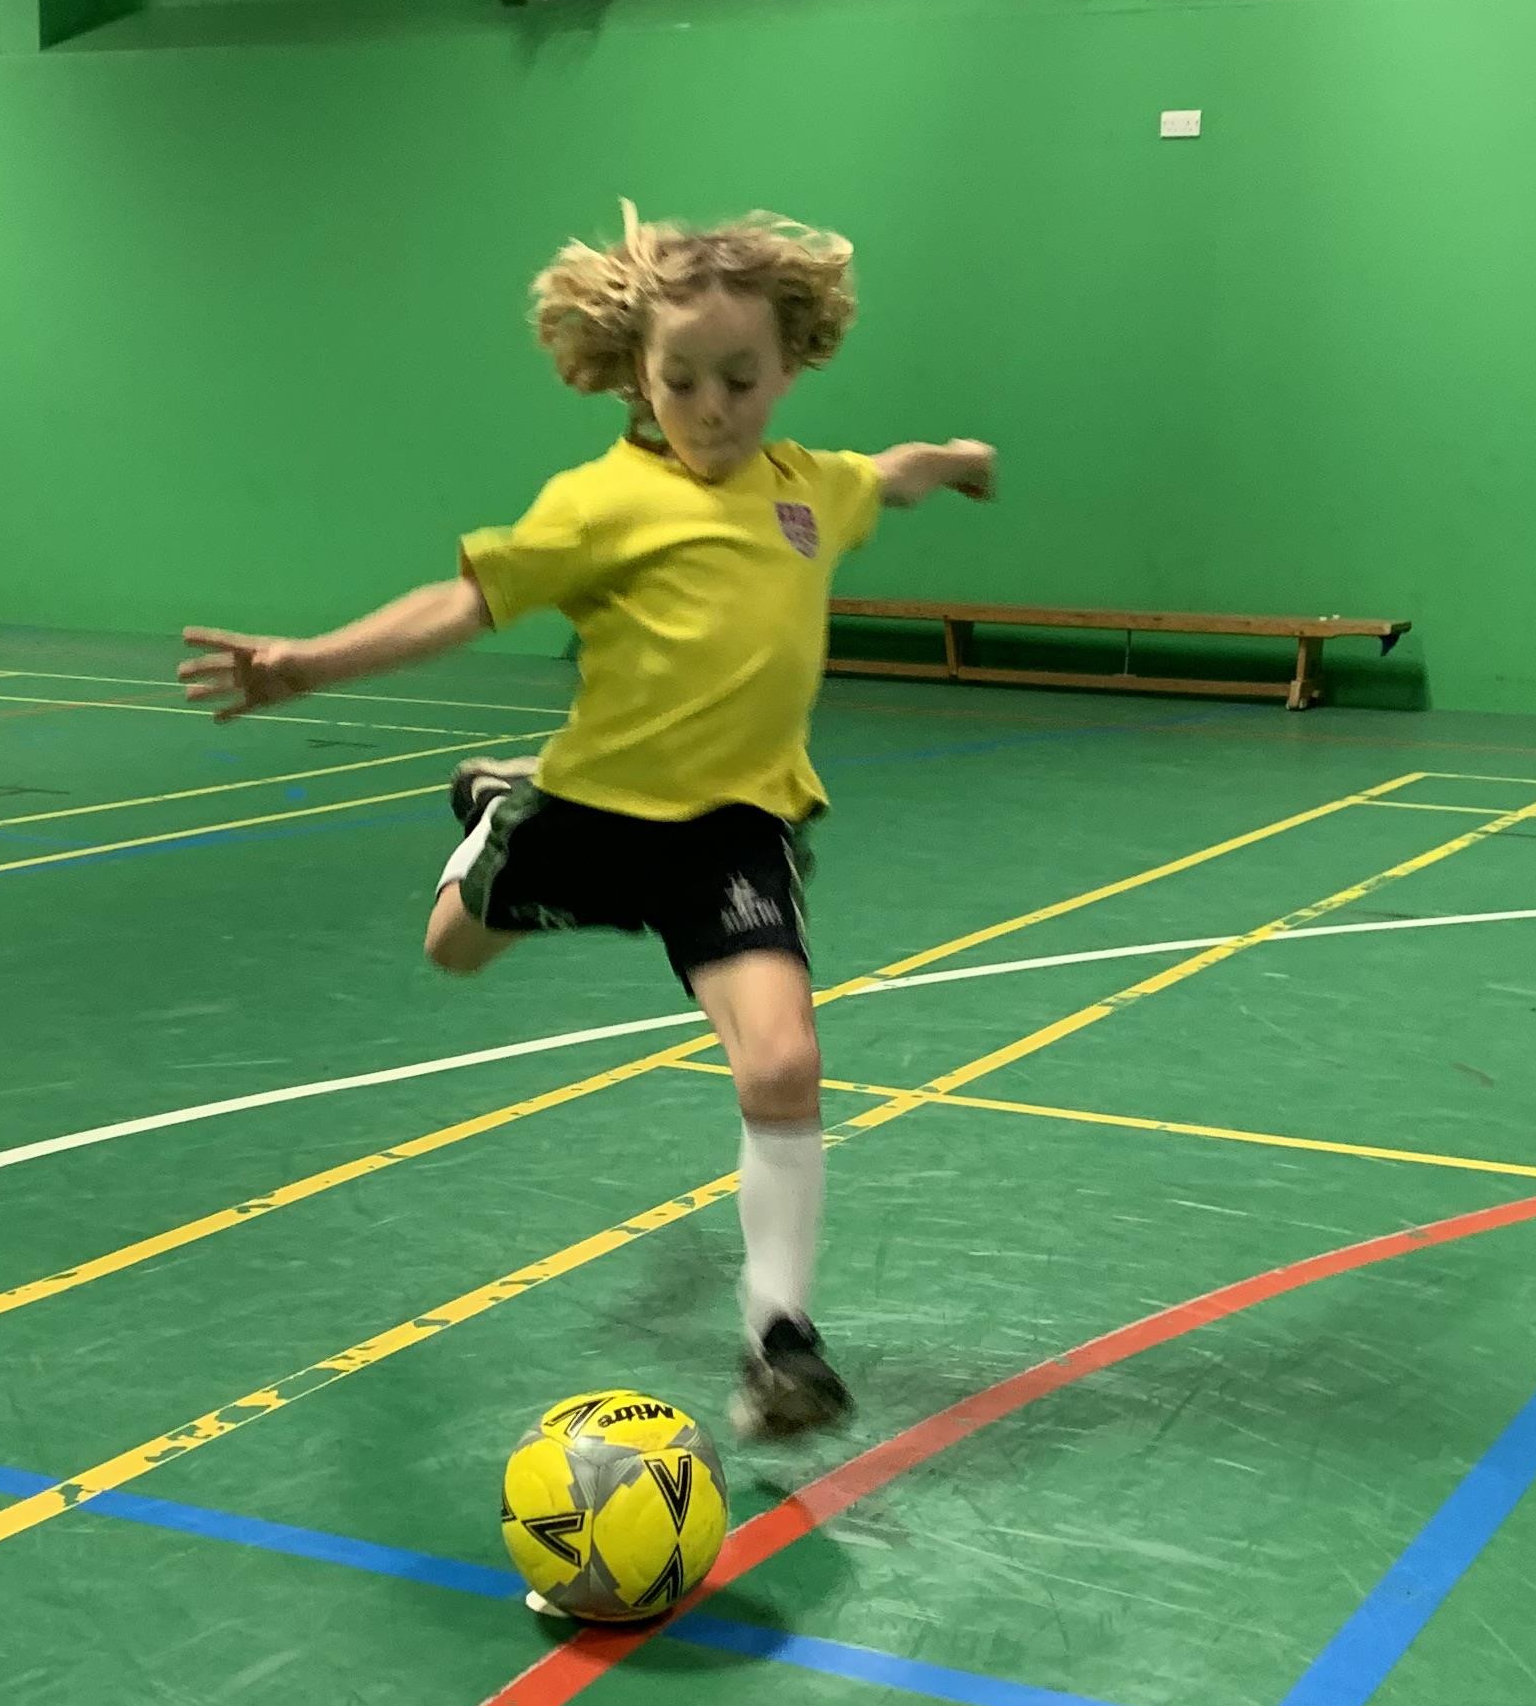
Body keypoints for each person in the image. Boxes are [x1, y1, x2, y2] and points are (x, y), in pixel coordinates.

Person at [180, 206, 993, 1441]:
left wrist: (943, 460)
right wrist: (313, 661)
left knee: (781, 1064)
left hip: (735, 825)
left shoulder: (807, 492)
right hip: (595, 813)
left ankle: (781, 1341)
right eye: (681, 380)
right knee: (450, 948)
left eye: (741, 378)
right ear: (634, 371)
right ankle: (502, 807)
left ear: (790, 365)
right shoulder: (599, 503)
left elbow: (882, 476)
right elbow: (468, 597)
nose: (712, 406)